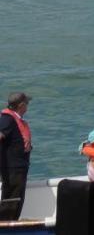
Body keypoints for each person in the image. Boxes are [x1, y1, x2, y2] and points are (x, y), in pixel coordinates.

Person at [0, 92, 32, 220]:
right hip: (12, 169)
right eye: (27, 104)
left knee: (16, 199)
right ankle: (6, 226)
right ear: (22, 105)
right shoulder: (7, 119)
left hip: (17, 169)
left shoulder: (14, 119)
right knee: (12, 200)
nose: (28, 107)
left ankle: (10, 223)